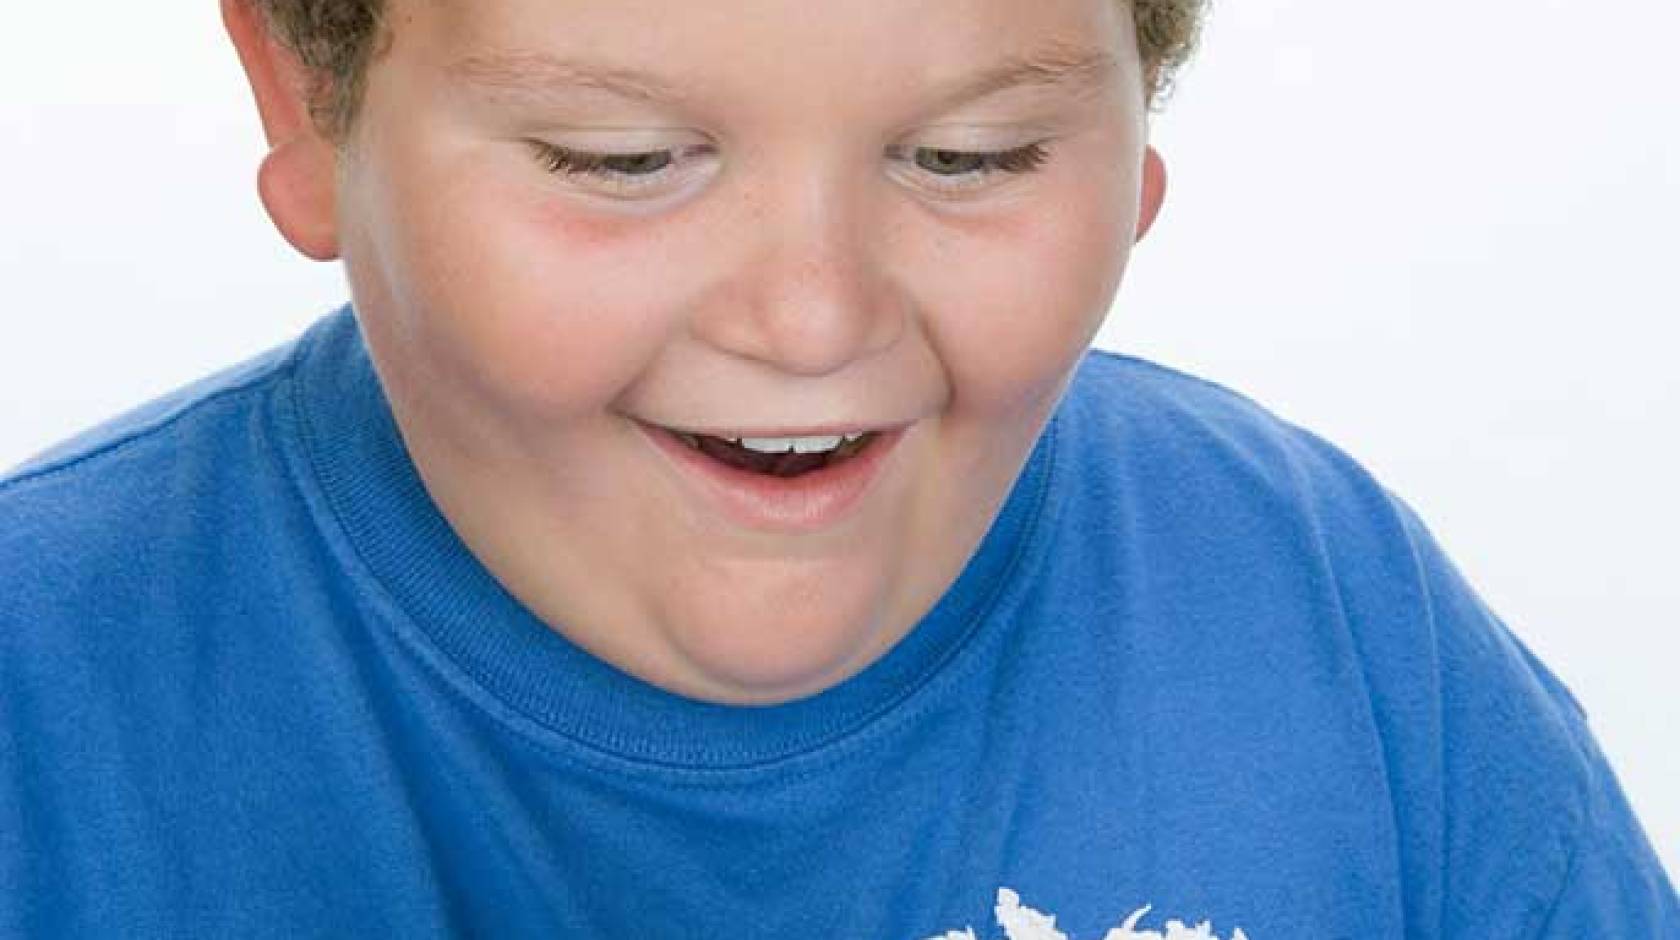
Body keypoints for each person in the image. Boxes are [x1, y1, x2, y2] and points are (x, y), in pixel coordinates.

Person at [0, 0, 1674, 935]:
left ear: (1137, 144)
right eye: (623, 160)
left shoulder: (1331, 616)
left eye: (972, 157)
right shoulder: (46, 705)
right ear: (305, 101)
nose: (811, 317)